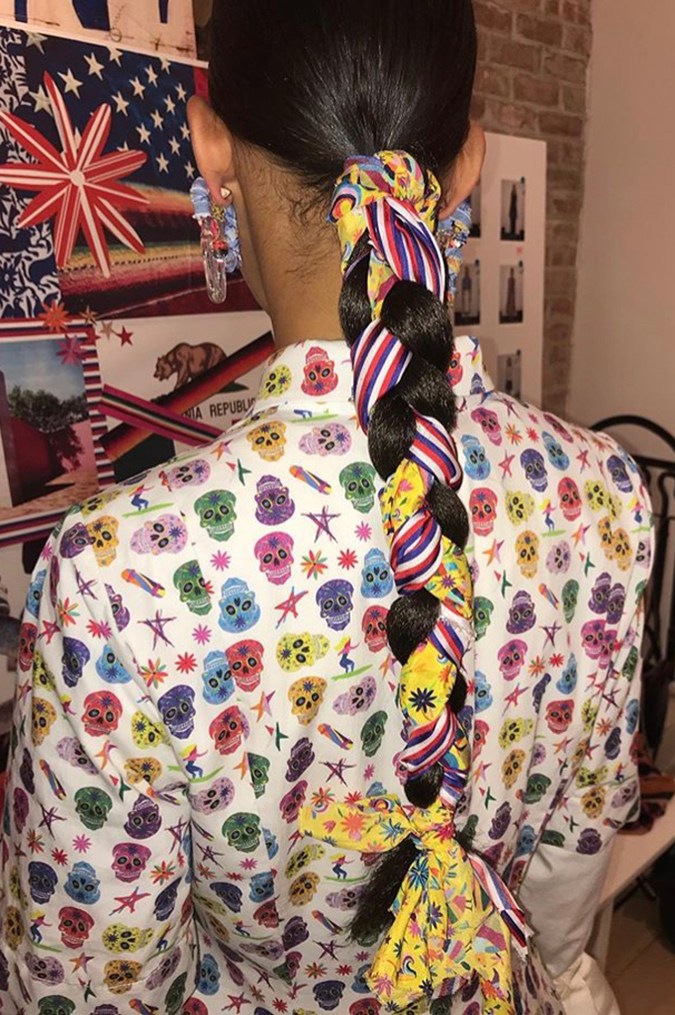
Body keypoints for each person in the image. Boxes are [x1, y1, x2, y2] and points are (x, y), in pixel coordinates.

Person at [0, 2, 652, 1013]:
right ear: (467, 166)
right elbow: (565, 887)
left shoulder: (116, 584)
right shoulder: (606, 497)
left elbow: (88, 987)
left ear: (209, 144)